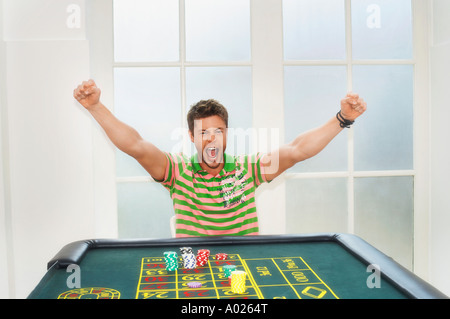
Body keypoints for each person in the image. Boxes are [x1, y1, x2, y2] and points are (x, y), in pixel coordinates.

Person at [73, 79, 367, 237]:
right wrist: (96, 107)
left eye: (218, 131)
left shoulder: (246, 169)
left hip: (245, 266)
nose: (211, 138)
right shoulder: (177, 171)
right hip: (193, 270)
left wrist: (343, 119)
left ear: (227, 134)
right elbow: (135, 145)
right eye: (204, 132)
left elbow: (297, 150)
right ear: (191, 137)